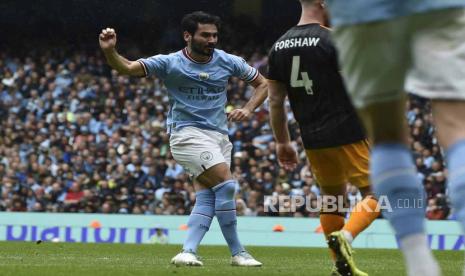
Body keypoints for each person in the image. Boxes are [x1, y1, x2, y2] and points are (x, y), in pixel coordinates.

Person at [99, 11, 267, 267]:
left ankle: (188, 251)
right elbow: (128, 68)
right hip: (186, 134)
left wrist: (248, 108)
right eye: (205, 35)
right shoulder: (170, 62)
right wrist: (111, 51)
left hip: (219, 136)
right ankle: (238, 253)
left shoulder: (228, 61)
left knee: (208, 196)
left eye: (214, 35)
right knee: (226, 185)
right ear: (188, 36)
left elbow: (263, 84)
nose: (211, 40)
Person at [325, 0, 465, 275]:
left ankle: (419, 264)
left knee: (386, 135)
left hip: (361, 10)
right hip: (439, 6)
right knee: (457, 126)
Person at [267, 1, 379, 275]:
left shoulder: (278, 46)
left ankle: (340, 267)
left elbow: (275, 101)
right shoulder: (335, 39)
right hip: (350, 131)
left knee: (333, 200)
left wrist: (283, 142)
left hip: (313, 137)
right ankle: (347, 238)